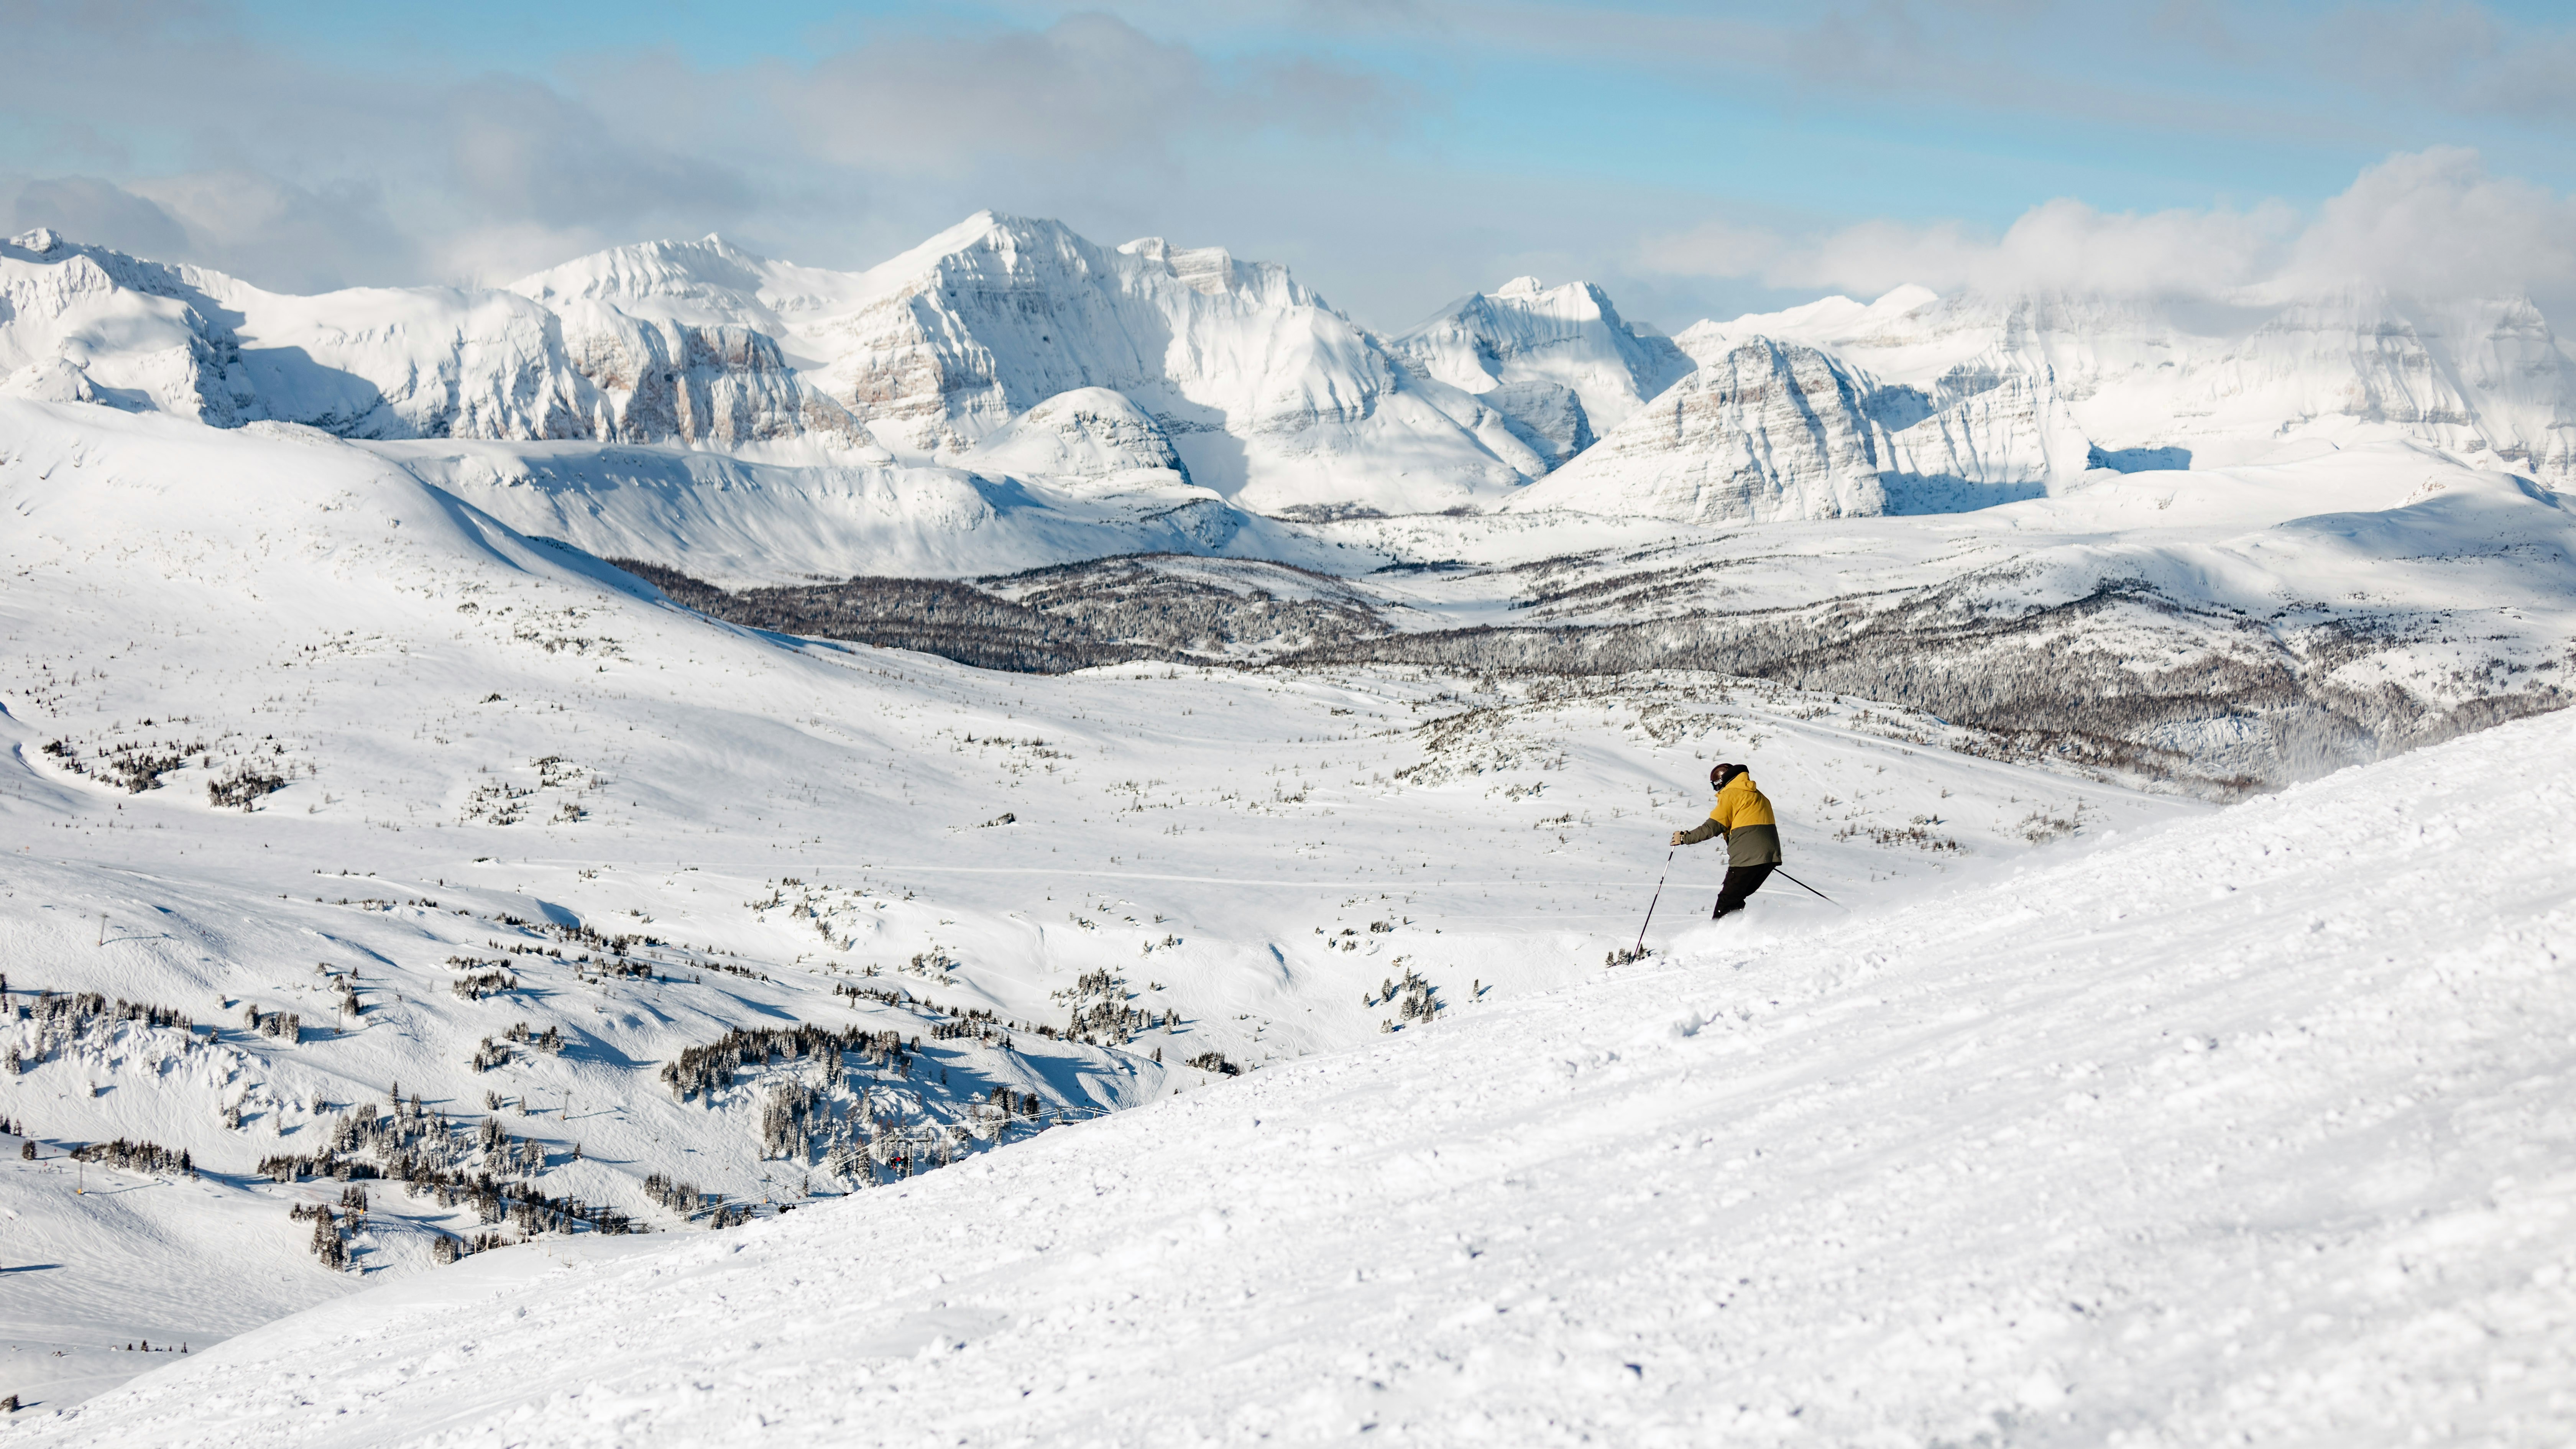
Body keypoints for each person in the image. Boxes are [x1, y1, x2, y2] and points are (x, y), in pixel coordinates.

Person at [1670, 762, 1781, 919]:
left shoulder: (1731, 795)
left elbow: (1713, 827)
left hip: (1747, 859)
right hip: (1769, 859)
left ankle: (1718, 937)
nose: (1717, 790)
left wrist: (1684, 838)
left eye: (1715, 786)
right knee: (1735, 898)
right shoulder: (1759, 796)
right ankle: (1735, 933)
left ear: (1720, 782)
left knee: (1727, 900)